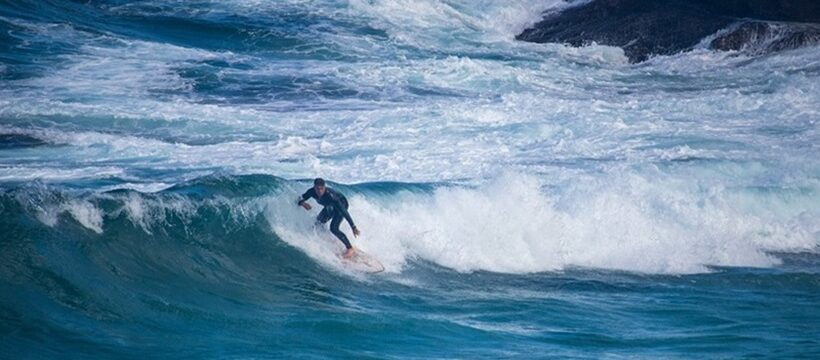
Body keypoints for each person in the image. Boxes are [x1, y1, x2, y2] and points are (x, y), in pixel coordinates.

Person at [297, 178, 360, 259]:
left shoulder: (331, 196)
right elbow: (299, 199)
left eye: (321, 189)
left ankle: (350, 248)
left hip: (342, 204)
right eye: (317, 189)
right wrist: (303, 204)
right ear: (314, 187)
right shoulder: (311, 192)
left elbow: (344, 212)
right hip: (329, 206)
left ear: (324, 187)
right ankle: (331, 239)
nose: (319, 191)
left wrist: (353, 227)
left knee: (334, 228)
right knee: (318, 223)